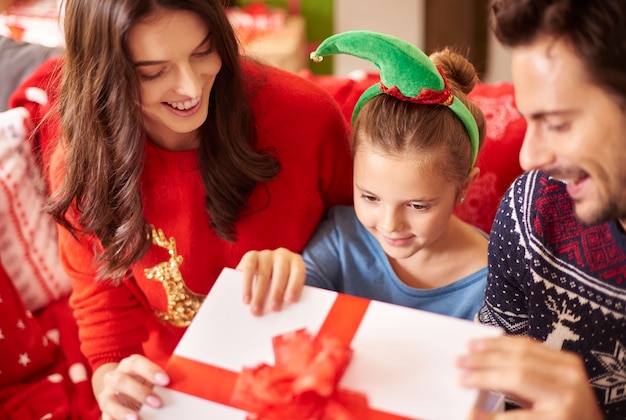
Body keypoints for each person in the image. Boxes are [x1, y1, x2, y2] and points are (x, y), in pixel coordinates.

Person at [45, 0, 353, 418]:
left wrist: (313, 265)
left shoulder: (307, 116)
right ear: (103, 76)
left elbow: (371, 248)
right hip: (178, 386)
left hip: (315, 366)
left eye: (203, 52)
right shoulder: (82, 165)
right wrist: (111, 378)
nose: (191, 88)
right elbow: (104, 313)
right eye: (153, 72)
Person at [239, 31, 489, 321]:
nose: (389, 225)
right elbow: (291, 305)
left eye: (418, 205)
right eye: (370, 197)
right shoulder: (340, 240)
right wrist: (277, 275)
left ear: (464, 186)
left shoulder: (497, 283)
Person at [456, 0, 626, 419]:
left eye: (557, 123)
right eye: (529, 120)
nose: (529, 156)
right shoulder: (529, 209)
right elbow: (490, 389)